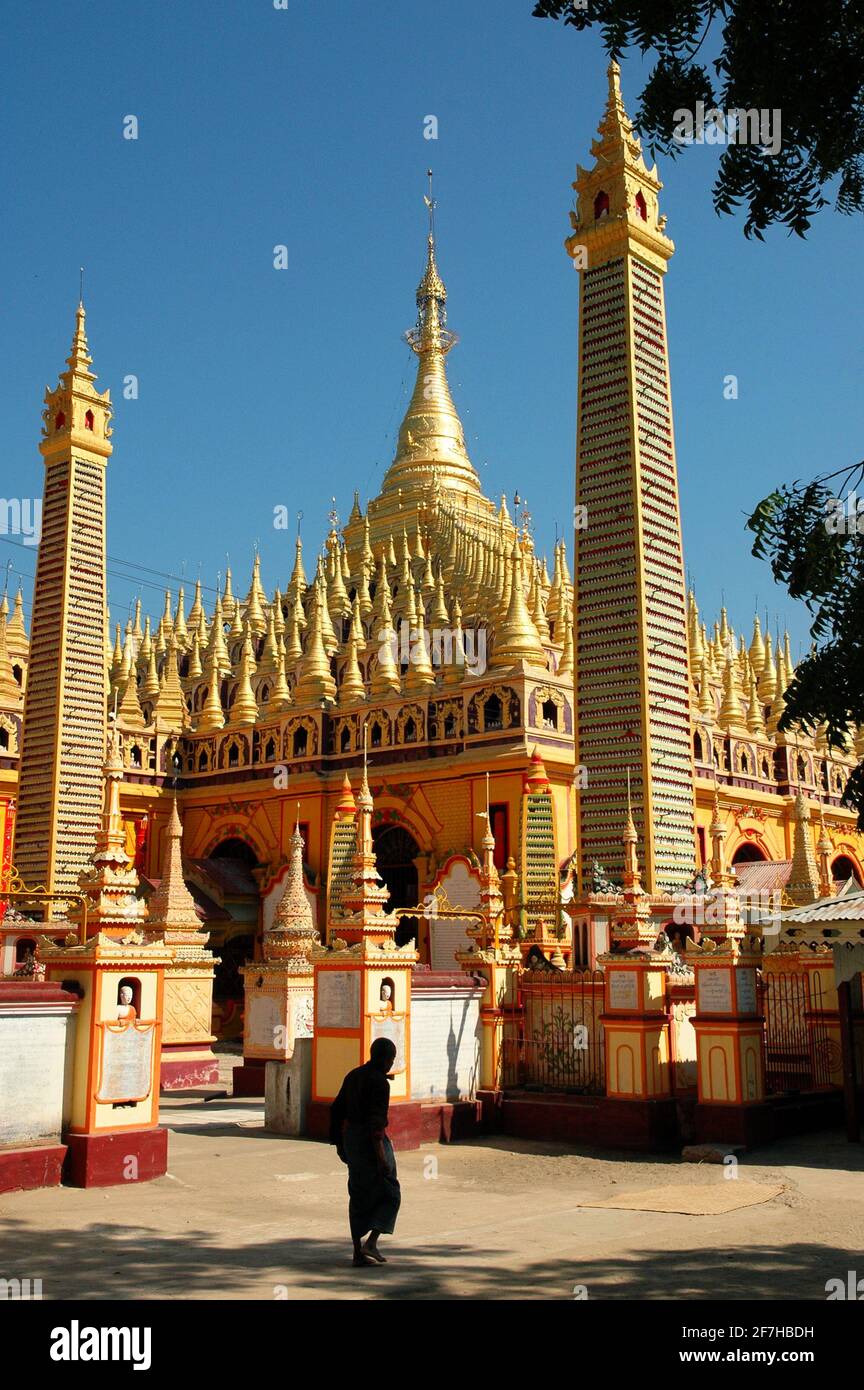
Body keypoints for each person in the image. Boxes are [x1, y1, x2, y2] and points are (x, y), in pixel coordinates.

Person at [329, 1038, 401, 1267]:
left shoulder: (354, 1075)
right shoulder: (380, 1083)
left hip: (351, 1140)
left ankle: (357, 1251)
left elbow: (336, 1110)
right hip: (370, 1143)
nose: (391, 1064)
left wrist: (340, 1144)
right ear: (387, 1059)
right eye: (391, 1059)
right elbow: (376, 1125)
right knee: (390, 1191)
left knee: (358, 1195)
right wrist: (381, 1158)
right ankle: (372, 1241)